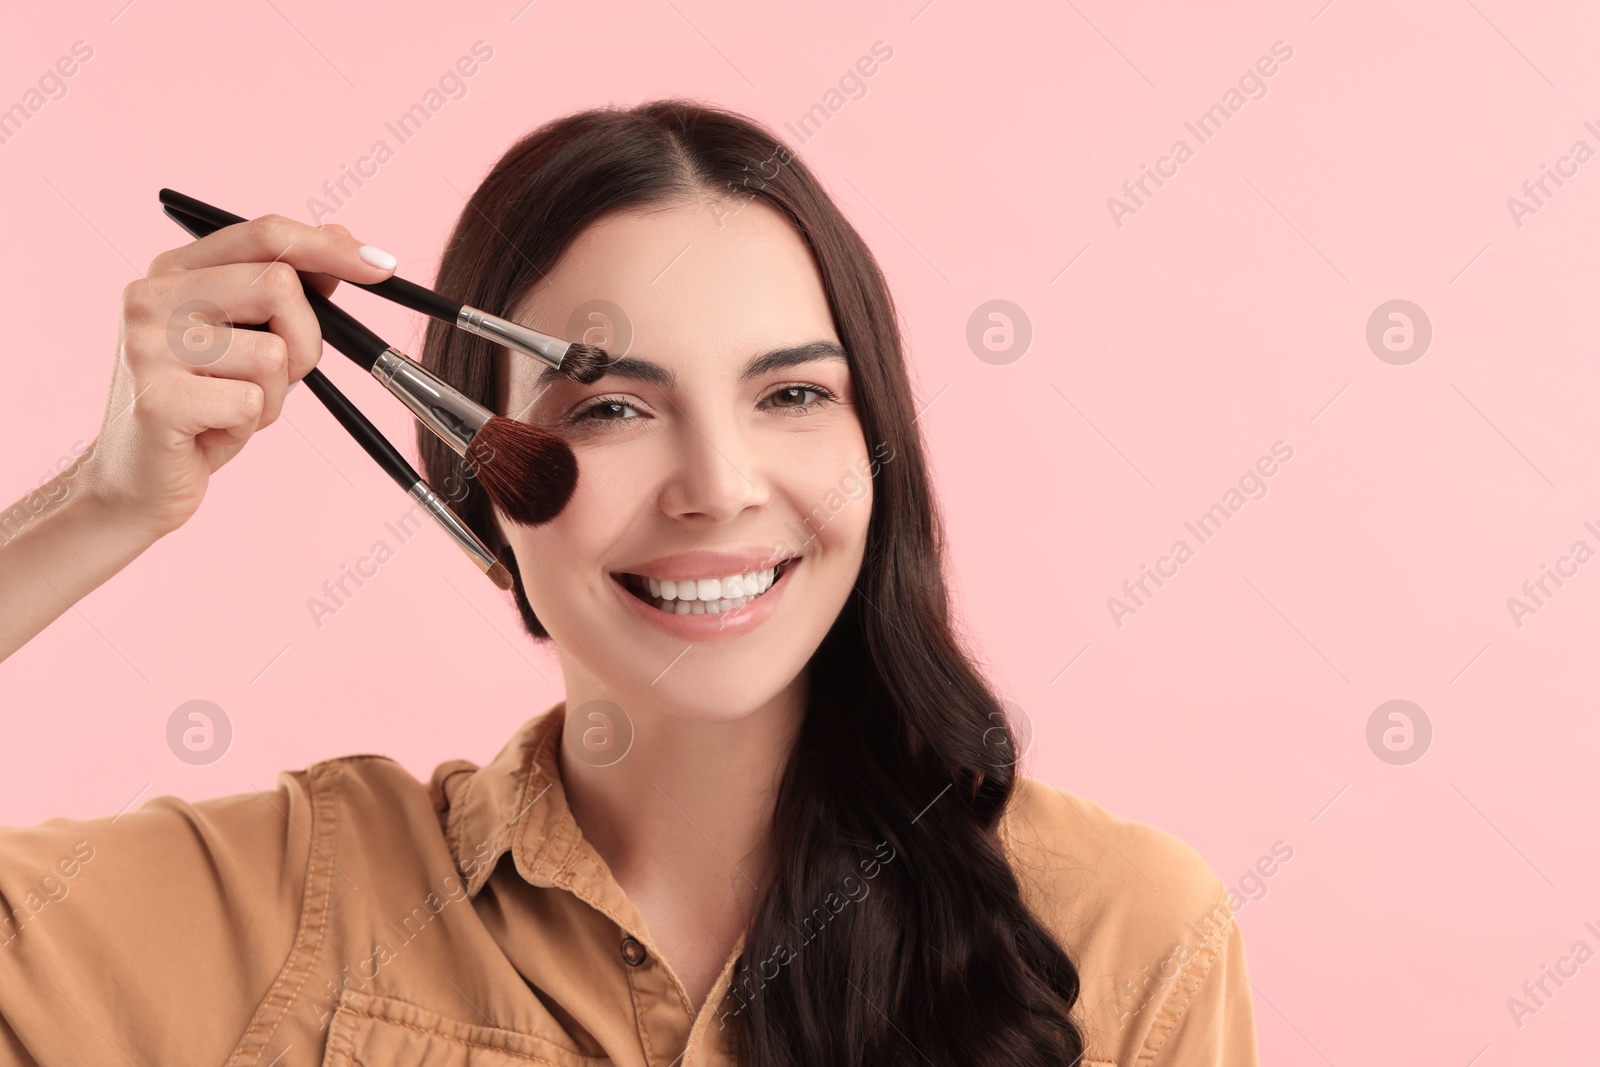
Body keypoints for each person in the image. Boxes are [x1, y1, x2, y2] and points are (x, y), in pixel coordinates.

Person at [0, 99, 1260, 1066]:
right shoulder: (290, 906)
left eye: (793, 394)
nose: (716, 483)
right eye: (608, 405)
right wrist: (94, 508)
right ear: (475, 474)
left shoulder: (1121, 932)